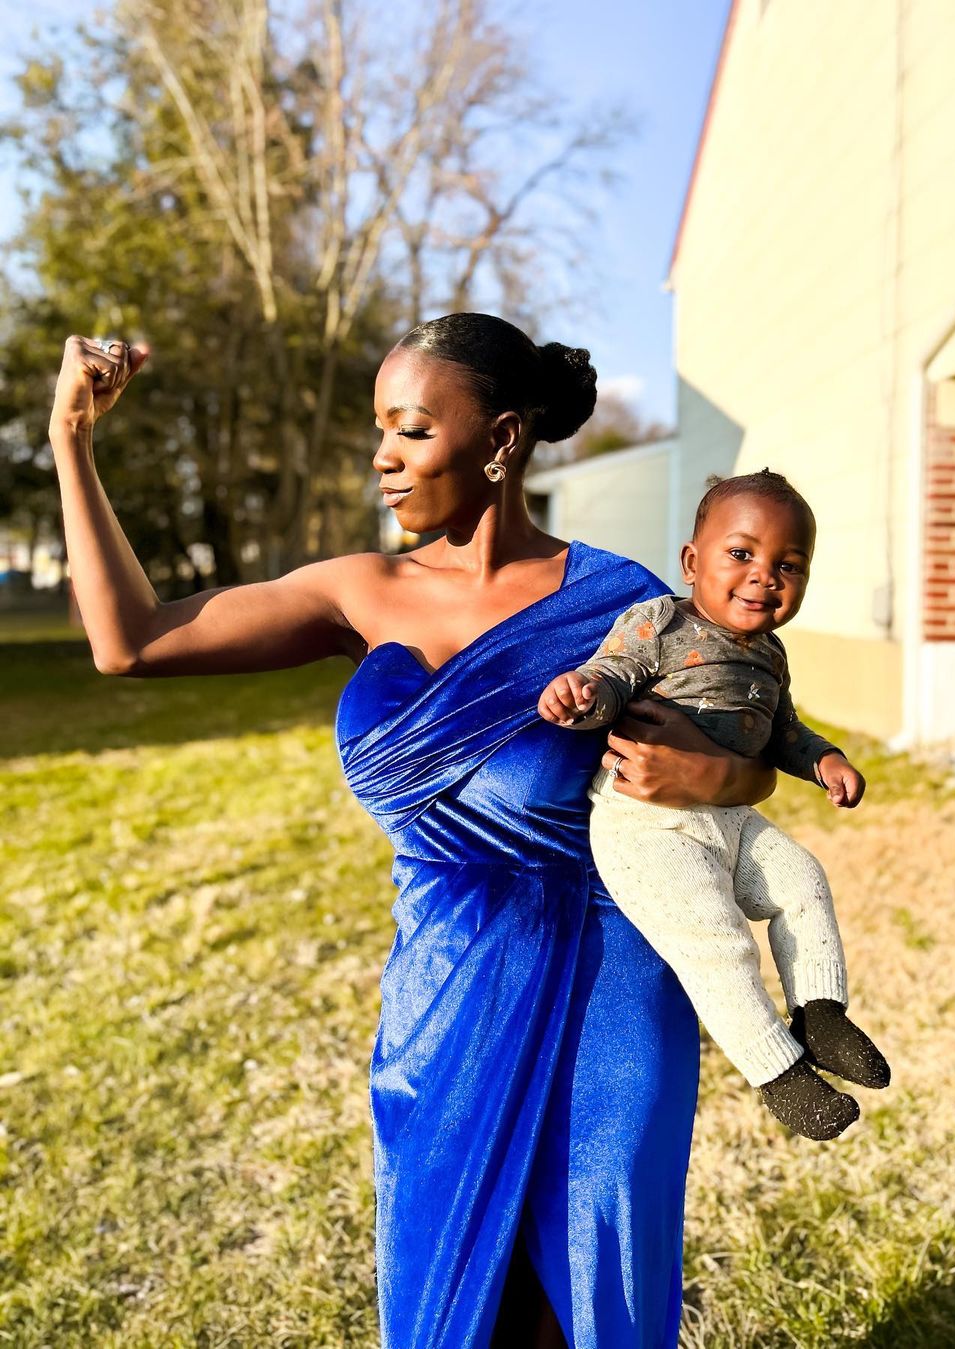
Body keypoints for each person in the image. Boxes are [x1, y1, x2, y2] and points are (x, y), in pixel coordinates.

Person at [48, 314, 777, 1348]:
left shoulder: (628, 604)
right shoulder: (361, 592)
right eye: (379, 431)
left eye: (411, 430)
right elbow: (128, 641)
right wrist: (72, 439)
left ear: (502, 438)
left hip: (608, 987)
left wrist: (713, 767)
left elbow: (745, 764)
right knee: (448, 1291)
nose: (383, 457)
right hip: (444, 989)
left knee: (589, 1280)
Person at [537, 471, 890, 1142]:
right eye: (741, 554)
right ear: (693, 561)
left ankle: (820, 1011)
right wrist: (581, 692)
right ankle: (780, 1073)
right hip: (646, 821)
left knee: (802, 879)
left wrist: (825, 760)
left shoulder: (771, 653)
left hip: (730, 815)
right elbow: (614, 675)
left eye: (788, 564)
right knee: (715, 937)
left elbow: (784, 730)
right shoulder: (660, 620)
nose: (765, 576)